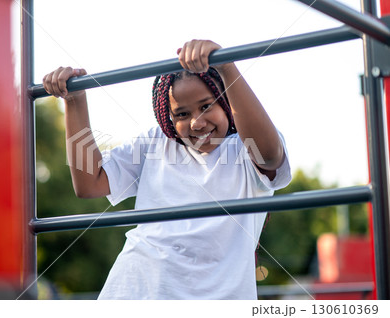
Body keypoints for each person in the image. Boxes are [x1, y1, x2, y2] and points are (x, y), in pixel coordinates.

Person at [43, 40, 291, 299]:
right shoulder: (157, 141)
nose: (196, 122)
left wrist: (227, 67)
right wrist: (74, 101)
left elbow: (271, 156)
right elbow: (88, 183)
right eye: (181, 114)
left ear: (226, 100)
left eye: (207, 106)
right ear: (168, 118)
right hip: (135, 290)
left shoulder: (245, 146)